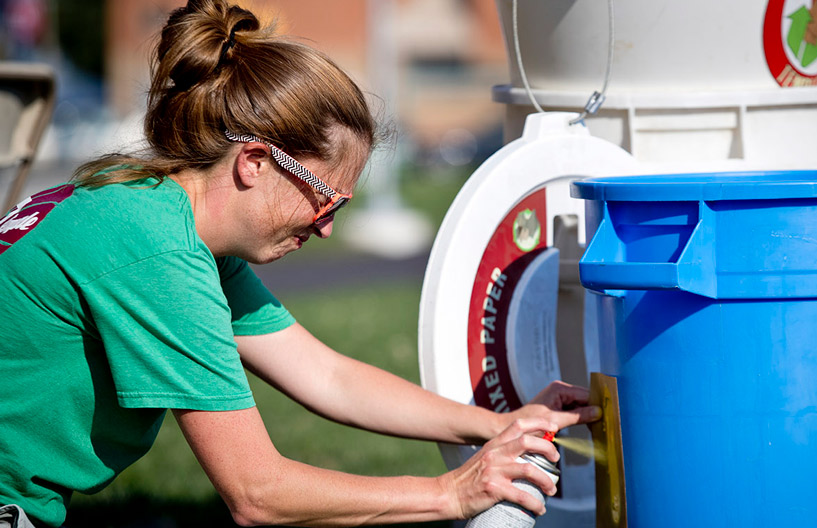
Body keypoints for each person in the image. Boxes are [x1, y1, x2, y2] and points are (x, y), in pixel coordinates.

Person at [0, 1, 599, 526]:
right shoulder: (156, 251)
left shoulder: (154, 213)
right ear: (255, 161)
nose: (329, 225)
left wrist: (495, 423)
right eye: (324, 199)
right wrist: (450, 493)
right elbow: (257, 492)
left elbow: (327, 376)